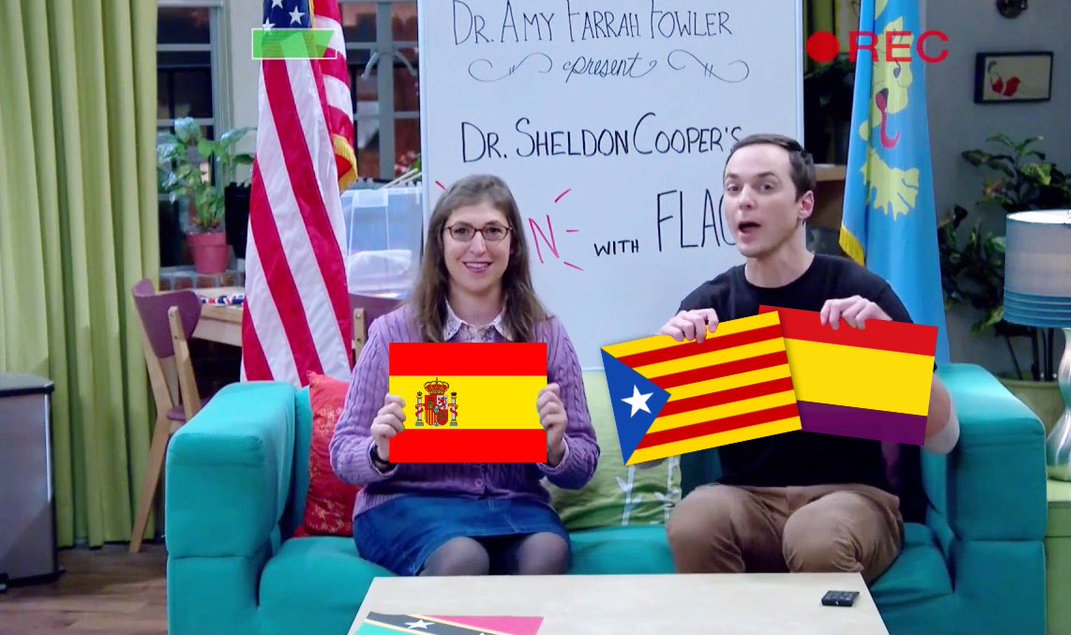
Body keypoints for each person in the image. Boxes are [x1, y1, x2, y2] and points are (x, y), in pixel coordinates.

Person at [659, 134, 958, 583]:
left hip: (853, 499)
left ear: (804, 205)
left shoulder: (860, 292)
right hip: (745, 498)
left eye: (765, 187)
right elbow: (650, 458)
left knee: (816, 536)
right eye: (733, 188)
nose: (744, 201)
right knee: (694, 522)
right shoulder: (709, 305)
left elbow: (944, 439)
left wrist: (893, 351)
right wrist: (665, 366)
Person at [330, 174, 599, 577]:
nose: (478, 246)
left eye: (493, 230)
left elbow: (584, 464)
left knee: (547, 553)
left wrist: (556, 448)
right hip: (408, 503)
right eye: (461, 231)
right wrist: (379, 452)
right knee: (464, 559)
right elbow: (343, 452)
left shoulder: (546, 333)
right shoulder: (393, 332)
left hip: (514, 505)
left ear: (513, 243)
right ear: (440, 242)